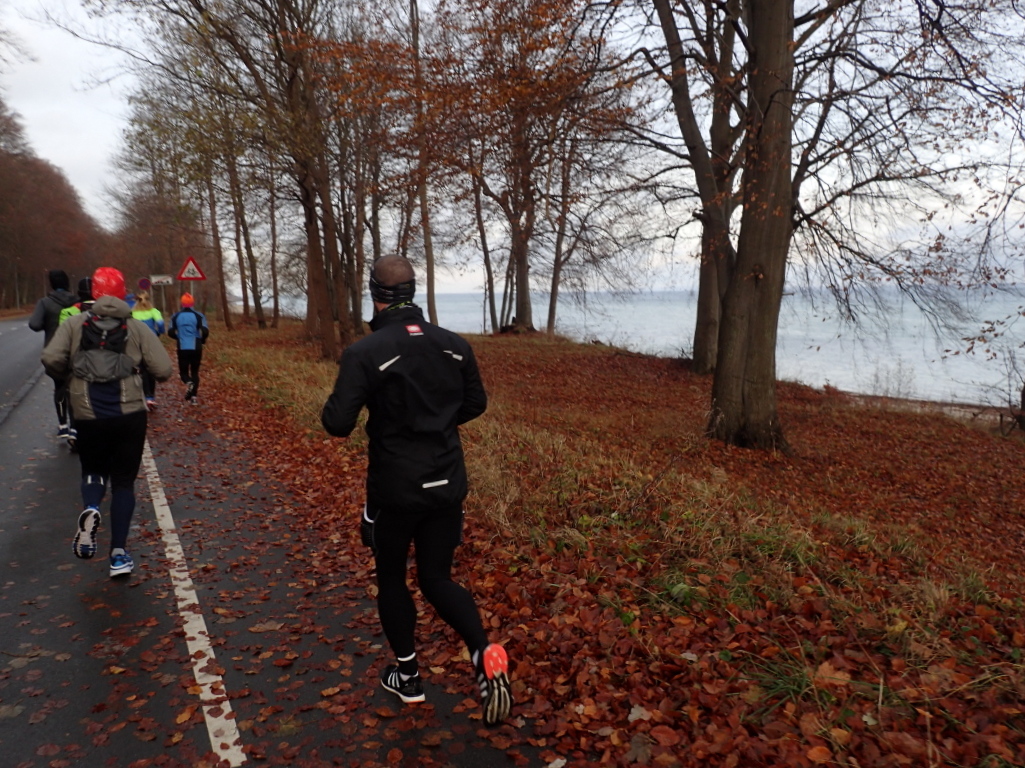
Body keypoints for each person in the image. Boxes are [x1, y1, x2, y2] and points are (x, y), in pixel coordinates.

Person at [321, 255, 512, 726]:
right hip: (447, 482)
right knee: (437, 578)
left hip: (396, 490)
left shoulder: (365, 352)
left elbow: (336, 423)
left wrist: (388, 418)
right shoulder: (454, 345)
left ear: (375, 294)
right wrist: (436, 424)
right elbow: (475, 403)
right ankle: (483, 651)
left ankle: (407, 677)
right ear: (413, 291)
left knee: (392, 579)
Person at [41, 267, 173, 578]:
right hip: (129, 416)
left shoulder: (74, 324)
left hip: (88, 414)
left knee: (93, 469)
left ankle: (92, 508)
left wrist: (68, 374)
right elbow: (164, 369)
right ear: (123, 291)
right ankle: (118, 555)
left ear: (94, 293)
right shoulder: (136, 328)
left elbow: (50, 359)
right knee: (124, 482)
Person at [29, 269, 79, 446]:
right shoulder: (77, 302)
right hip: (75, 351)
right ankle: (75, 427)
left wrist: (48, 324)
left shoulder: (45, 303)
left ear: (51, 283)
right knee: (75, 387)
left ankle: (63, 425)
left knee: (59, 387)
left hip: (54, 351)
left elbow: (34, 324)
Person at [168, 293, 209, 405]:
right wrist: (202, 339)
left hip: (182, 346)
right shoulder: (199, 316)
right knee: (195, 372)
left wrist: (178, 337)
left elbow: (170, 332)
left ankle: (189, 382)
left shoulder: (175, 316)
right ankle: (194, 398)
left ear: (182, 303)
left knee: (183, 373)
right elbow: (205, 331)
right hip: (196, 345)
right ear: (193, 303)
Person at [131, 291, 166, 410]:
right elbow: (161, 324)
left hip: (137, 343)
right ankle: (151, 397)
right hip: (151, 342)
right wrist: (158, 333)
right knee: (151, 369)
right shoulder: (153, 311)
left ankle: (143, 396)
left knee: (140, 369)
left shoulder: (132, 313)